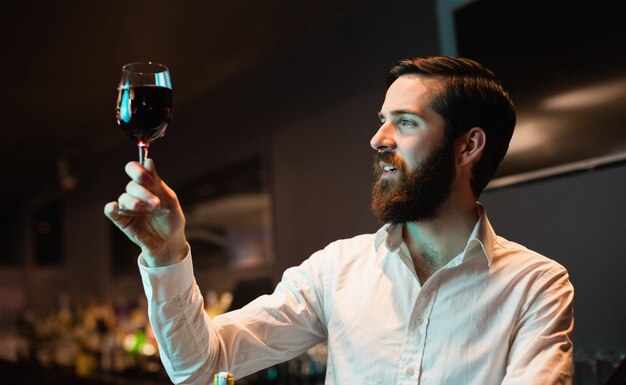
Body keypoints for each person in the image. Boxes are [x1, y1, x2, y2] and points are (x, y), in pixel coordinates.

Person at [105, 56, 574, 385]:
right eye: (382, 119)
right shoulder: (336, 270)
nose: (377, 138)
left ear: (468, 146)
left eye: (405, 122)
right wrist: (166, 256)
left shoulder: (537, 285)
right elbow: (201, 367)